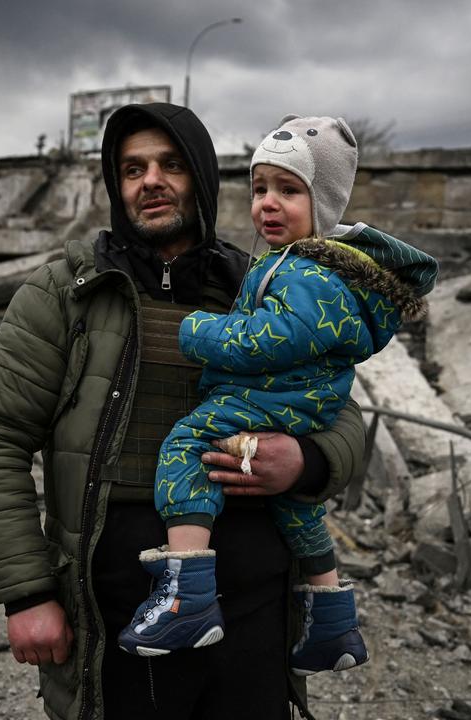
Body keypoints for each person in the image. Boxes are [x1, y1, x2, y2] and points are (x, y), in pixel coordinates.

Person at [0, 103, 368, 719]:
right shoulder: (64, 294)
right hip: (121, 611)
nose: (150, 180)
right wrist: (28, 593)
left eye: (170, 164)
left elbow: (343, 413)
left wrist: (306, 462)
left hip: (256, 608)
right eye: (131, 169)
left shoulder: (262, 286)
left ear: (200, 178)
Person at [117, 116, 438, 677]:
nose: (268, 203)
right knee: (297, 508)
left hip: (272, 396)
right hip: (299, 402)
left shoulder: (307, 272)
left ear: (326, 203)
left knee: (187, 444)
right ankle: (333, 621)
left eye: (289, 190)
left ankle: (186, 593)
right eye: (260, 188)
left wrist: (198, 332)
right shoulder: (298, 264)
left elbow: (276, 339)